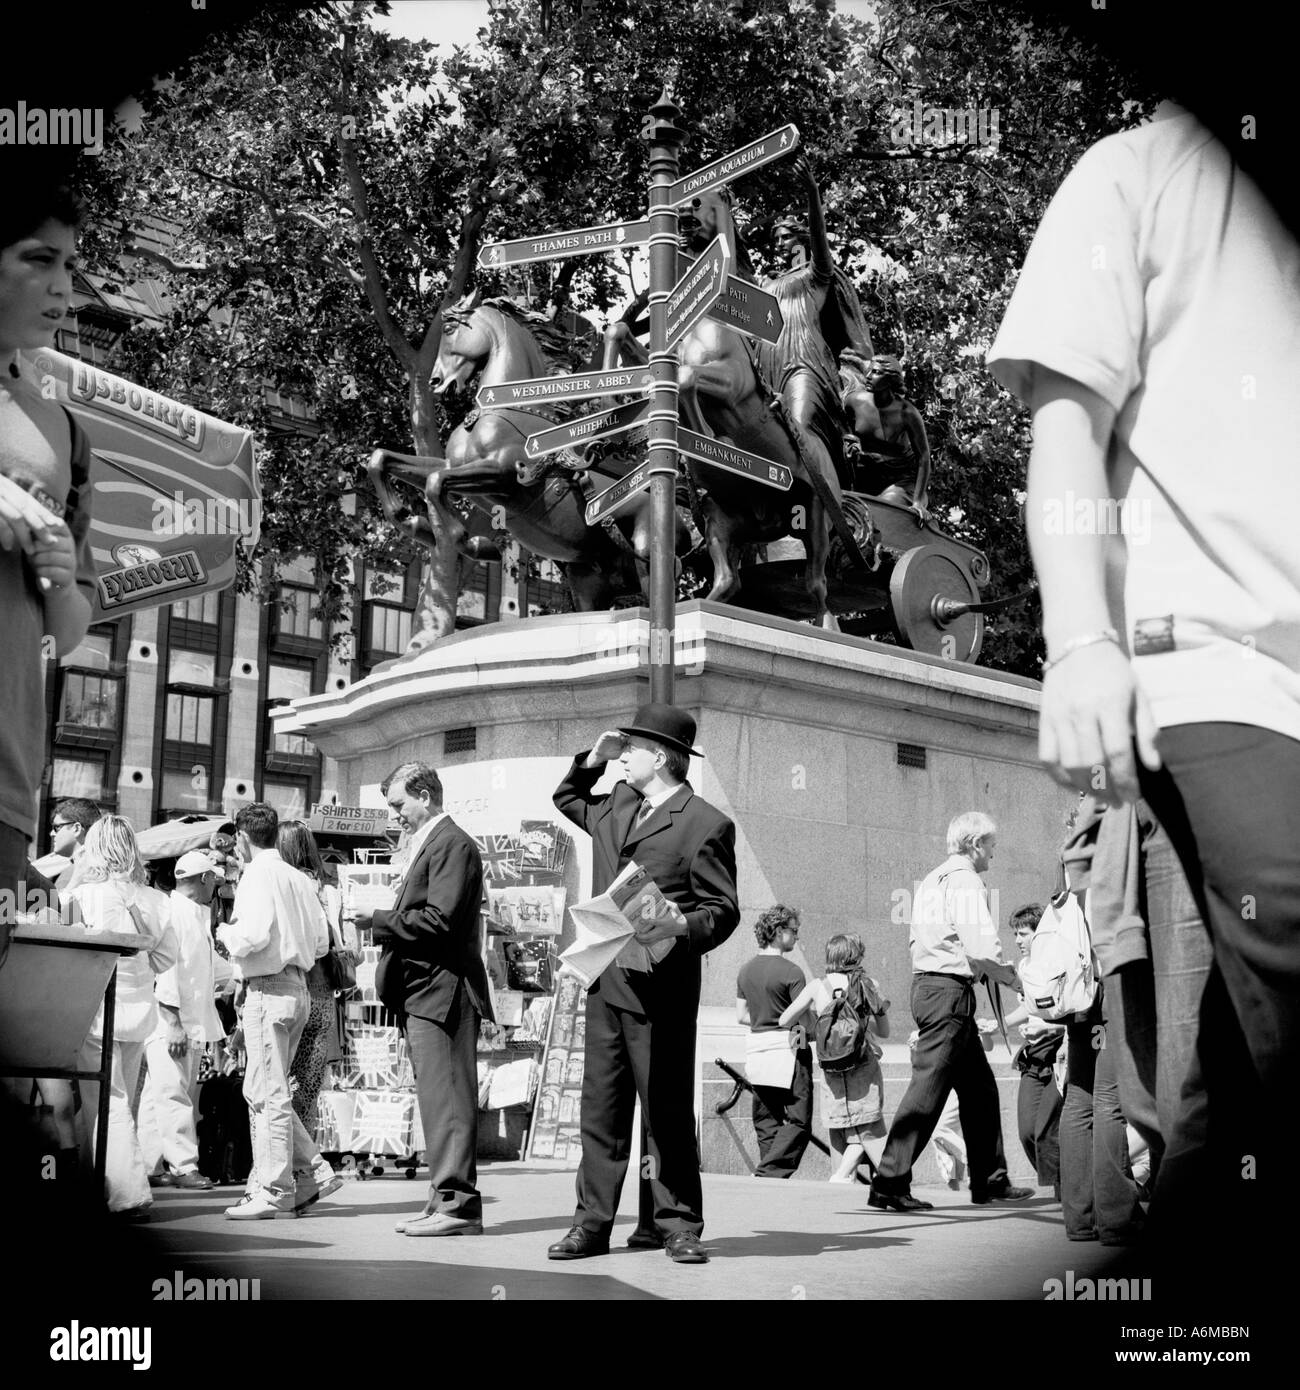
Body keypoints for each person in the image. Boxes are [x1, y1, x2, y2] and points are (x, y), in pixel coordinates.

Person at [987, 99, 1300, 1262]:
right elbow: (1066, 430)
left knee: (1220, 1084)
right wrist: (1079, 641)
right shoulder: (1137, 171)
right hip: (1214, 666)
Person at [548, 703, 739, 1264]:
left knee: (667, 1110)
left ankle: (675, 1225)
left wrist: (684, 925)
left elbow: (722, 909)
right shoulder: (615, 806)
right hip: (607, 982)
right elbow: (566, 799)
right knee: (601, 1109)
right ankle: (591, 1225)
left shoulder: (705, 821)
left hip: (662, 986)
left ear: (660, 757)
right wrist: (594, 758)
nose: (621, 754)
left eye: (629, 748)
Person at [0, 177, 94, 971]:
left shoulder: (60, 427)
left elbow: (71, 633)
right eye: (40, 259)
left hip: (5, 779)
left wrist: (61, 581)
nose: (63, 285)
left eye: (69, 263)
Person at [351, 762, 492, 1238]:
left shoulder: (451, 843)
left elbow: (441, 920)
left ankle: (456, 1204)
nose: (396, 816)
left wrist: (379, 918)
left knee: (448, 1100)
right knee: (439, 1101)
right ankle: (443, 1201)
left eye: (399, 805)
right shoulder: (436, 843)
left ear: (425, 795)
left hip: (443, 990)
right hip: (427, 990)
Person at [868, 812, 1033, 1212]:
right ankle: (889, 1182)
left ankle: (990, 1180)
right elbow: (980, 947)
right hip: (949, 992)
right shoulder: (965, 880)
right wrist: (1015, 980)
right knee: (927, 1089)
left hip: (930, 986)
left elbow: (915, 940)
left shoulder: (931, 879)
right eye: (991, 845)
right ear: (975, 844)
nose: (994, 854)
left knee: (979, 1090)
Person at [216, 803, 337, 1220]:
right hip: (299, 987)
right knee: (269, 1091)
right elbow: (322, 943)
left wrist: (223, 933)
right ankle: (313, 1172)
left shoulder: (258, 875)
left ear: (243, 838)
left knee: (267, 1095)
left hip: (268, 988)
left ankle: (273, 1189)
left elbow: (251, 933)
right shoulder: (299, 878)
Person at [63, 815, 177, 1217]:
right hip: (139, 1009)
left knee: (105, 1100)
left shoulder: (84, 895)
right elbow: (165, 959)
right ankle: (98, 1186)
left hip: (94, 1006)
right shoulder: (157, 900)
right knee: (121, 1097)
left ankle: (126, 1192)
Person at [759, 153, 874, 496]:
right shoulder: (766, 285)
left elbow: (819, 234)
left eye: (784, 238)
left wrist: (812, 191)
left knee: (800, 425)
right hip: (768, 366)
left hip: (805, 363)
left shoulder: (817, 275)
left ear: (800, 238)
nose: (778, 245)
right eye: (775, 240)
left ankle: (818, 500)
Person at [137, 850, 229, 1191]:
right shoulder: (178, 914)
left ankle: (149, 1164)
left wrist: (239, 973)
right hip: (175, 1021)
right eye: (213, 880)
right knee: (175, 1094)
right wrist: (173, 1022)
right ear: (203, 879)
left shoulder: (188, 913)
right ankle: (183, 1166)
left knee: (157, 1095)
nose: (215, 887)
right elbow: (169, 971)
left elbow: (206, 965)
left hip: (180, 1020)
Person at [780, 933, 890, 1183]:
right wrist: (860, 1025)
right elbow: (884, 1031)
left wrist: (818, 1022)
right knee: (869, 1126)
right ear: (856, 955)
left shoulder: (817, 986)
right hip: (863, 1064)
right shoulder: (868, 984)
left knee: (839, 1128)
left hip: (831, 1066)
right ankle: (888, 1181)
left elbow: (784, 1019)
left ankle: (841, 1180)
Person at [277, 821, 349, 1141]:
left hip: (289, 985)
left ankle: (283, 1158)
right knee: (308, 1084)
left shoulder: (282, 885)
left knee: (276, 1084)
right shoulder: (328, 891)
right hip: (322, 993)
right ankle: (303, 1166)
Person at [736, 905, 812, 1178]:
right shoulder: (792, 972)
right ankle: (768, 1173)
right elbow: (803, 1021)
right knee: (799, 1119)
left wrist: (764, 1019)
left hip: (758, 1047)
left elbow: (741, 1015)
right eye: (794, 930)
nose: (797, 936)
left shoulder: (745, 971)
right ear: (779, 932)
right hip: (791, 1047)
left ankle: (767, 1180)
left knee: (766, 1119)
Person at [1003, 902, 1065, 1195]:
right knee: (1028, 1132)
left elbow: (1073, 1013)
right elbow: (1030, 1009)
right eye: (1016, 934)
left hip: (1060, 1054)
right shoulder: (1025, 967)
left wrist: (1048, 1027)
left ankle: (1069, 1190)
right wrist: (999, 1024)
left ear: (1040, 934)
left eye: (1023, 933)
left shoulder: (1059, 961)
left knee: (1048, 1132)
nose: (1018, 941)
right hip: (1033, 1056)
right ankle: (1065, 1182)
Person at [839, 352, 932, 519]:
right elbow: (839, 428)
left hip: (901, 481)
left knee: (880, 515)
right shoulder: (854, 401)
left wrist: (917, 502)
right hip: (867, 477)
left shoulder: (907, 413)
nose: (868, 376)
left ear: (891, 379)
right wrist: (849, 443)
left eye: (876, 372)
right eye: (869, 371)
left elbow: (924, 457)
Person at [48, 798, 100, 891]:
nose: (52, 833)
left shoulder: (70, 877)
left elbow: (58, 906)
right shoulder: (106, 869)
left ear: (76, 828)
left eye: (57, 827)